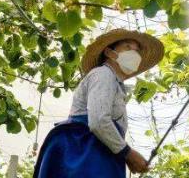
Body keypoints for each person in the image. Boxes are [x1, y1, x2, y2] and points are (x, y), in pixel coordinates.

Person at [33, 28, 165, 178]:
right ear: (109, 53)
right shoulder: (103, 74)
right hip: (86, 150)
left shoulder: (115, 83)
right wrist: (127, 153)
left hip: (101, 150)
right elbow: (99, 121)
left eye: (137, 51)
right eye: (128, 47)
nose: (134, 54)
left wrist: (123, 154)